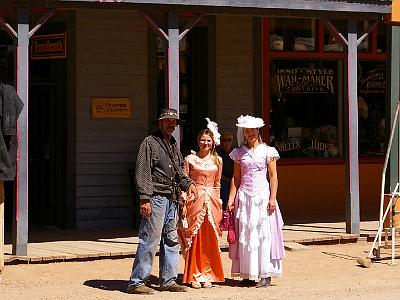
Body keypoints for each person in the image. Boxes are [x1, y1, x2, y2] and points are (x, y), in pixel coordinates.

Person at [127, 108, 197, 295]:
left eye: (174, 122)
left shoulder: (173, 143)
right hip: (156, 197)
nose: (171, 124)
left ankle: (168, 280)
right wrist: (145, 198)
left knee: (171, 239)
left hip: (172, 198)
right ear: (160, 122)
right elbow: (142, 172)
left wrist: (188, 183)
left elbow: (179, 171)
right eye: (167, 121)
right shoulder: (149, 143)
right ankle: (137, 282)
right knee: (150, 239)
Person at [227, 115, 285, 288]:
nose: (250, 133)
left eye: (253, 130)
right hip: (245, 197)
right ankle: (247, 273)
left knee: (263, 233)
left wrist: (272, 198)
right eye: (247, 130)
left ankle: (265, 273)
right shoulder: (239, 153)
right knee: (245, 234)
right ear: (243, 132)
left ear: (258, 131)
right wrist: (231, 199)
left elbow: (273, 176)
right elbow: (236, 178)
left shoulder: (268, 151)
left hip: (262, 196)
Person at [178, 118, 225, 289]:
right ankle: (193, 274)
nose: (205, 143)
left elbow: (218, 183)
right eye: (202, 140)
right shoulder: (190, 159)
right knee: (194, 237)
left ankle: (208, 273)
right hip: (194, 200)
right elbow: (184, 182)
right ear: (198, 141)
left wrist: (219, 202)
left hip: (212, 201)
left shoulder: (217, 161)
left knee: (209, 238)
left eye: (208, 140)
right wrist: (183, 202)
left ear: (213, 142)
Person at [217, 131, 234, 210]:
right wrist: (229, 180)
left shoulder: (236, 154)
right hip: (224, 182)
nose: (227, 143)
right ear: (221, 142)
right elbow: (217, 174)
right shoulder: (218, 156)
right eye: (224, 140)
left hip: (236, 182)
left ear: (232, 141)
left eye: (229, 140)